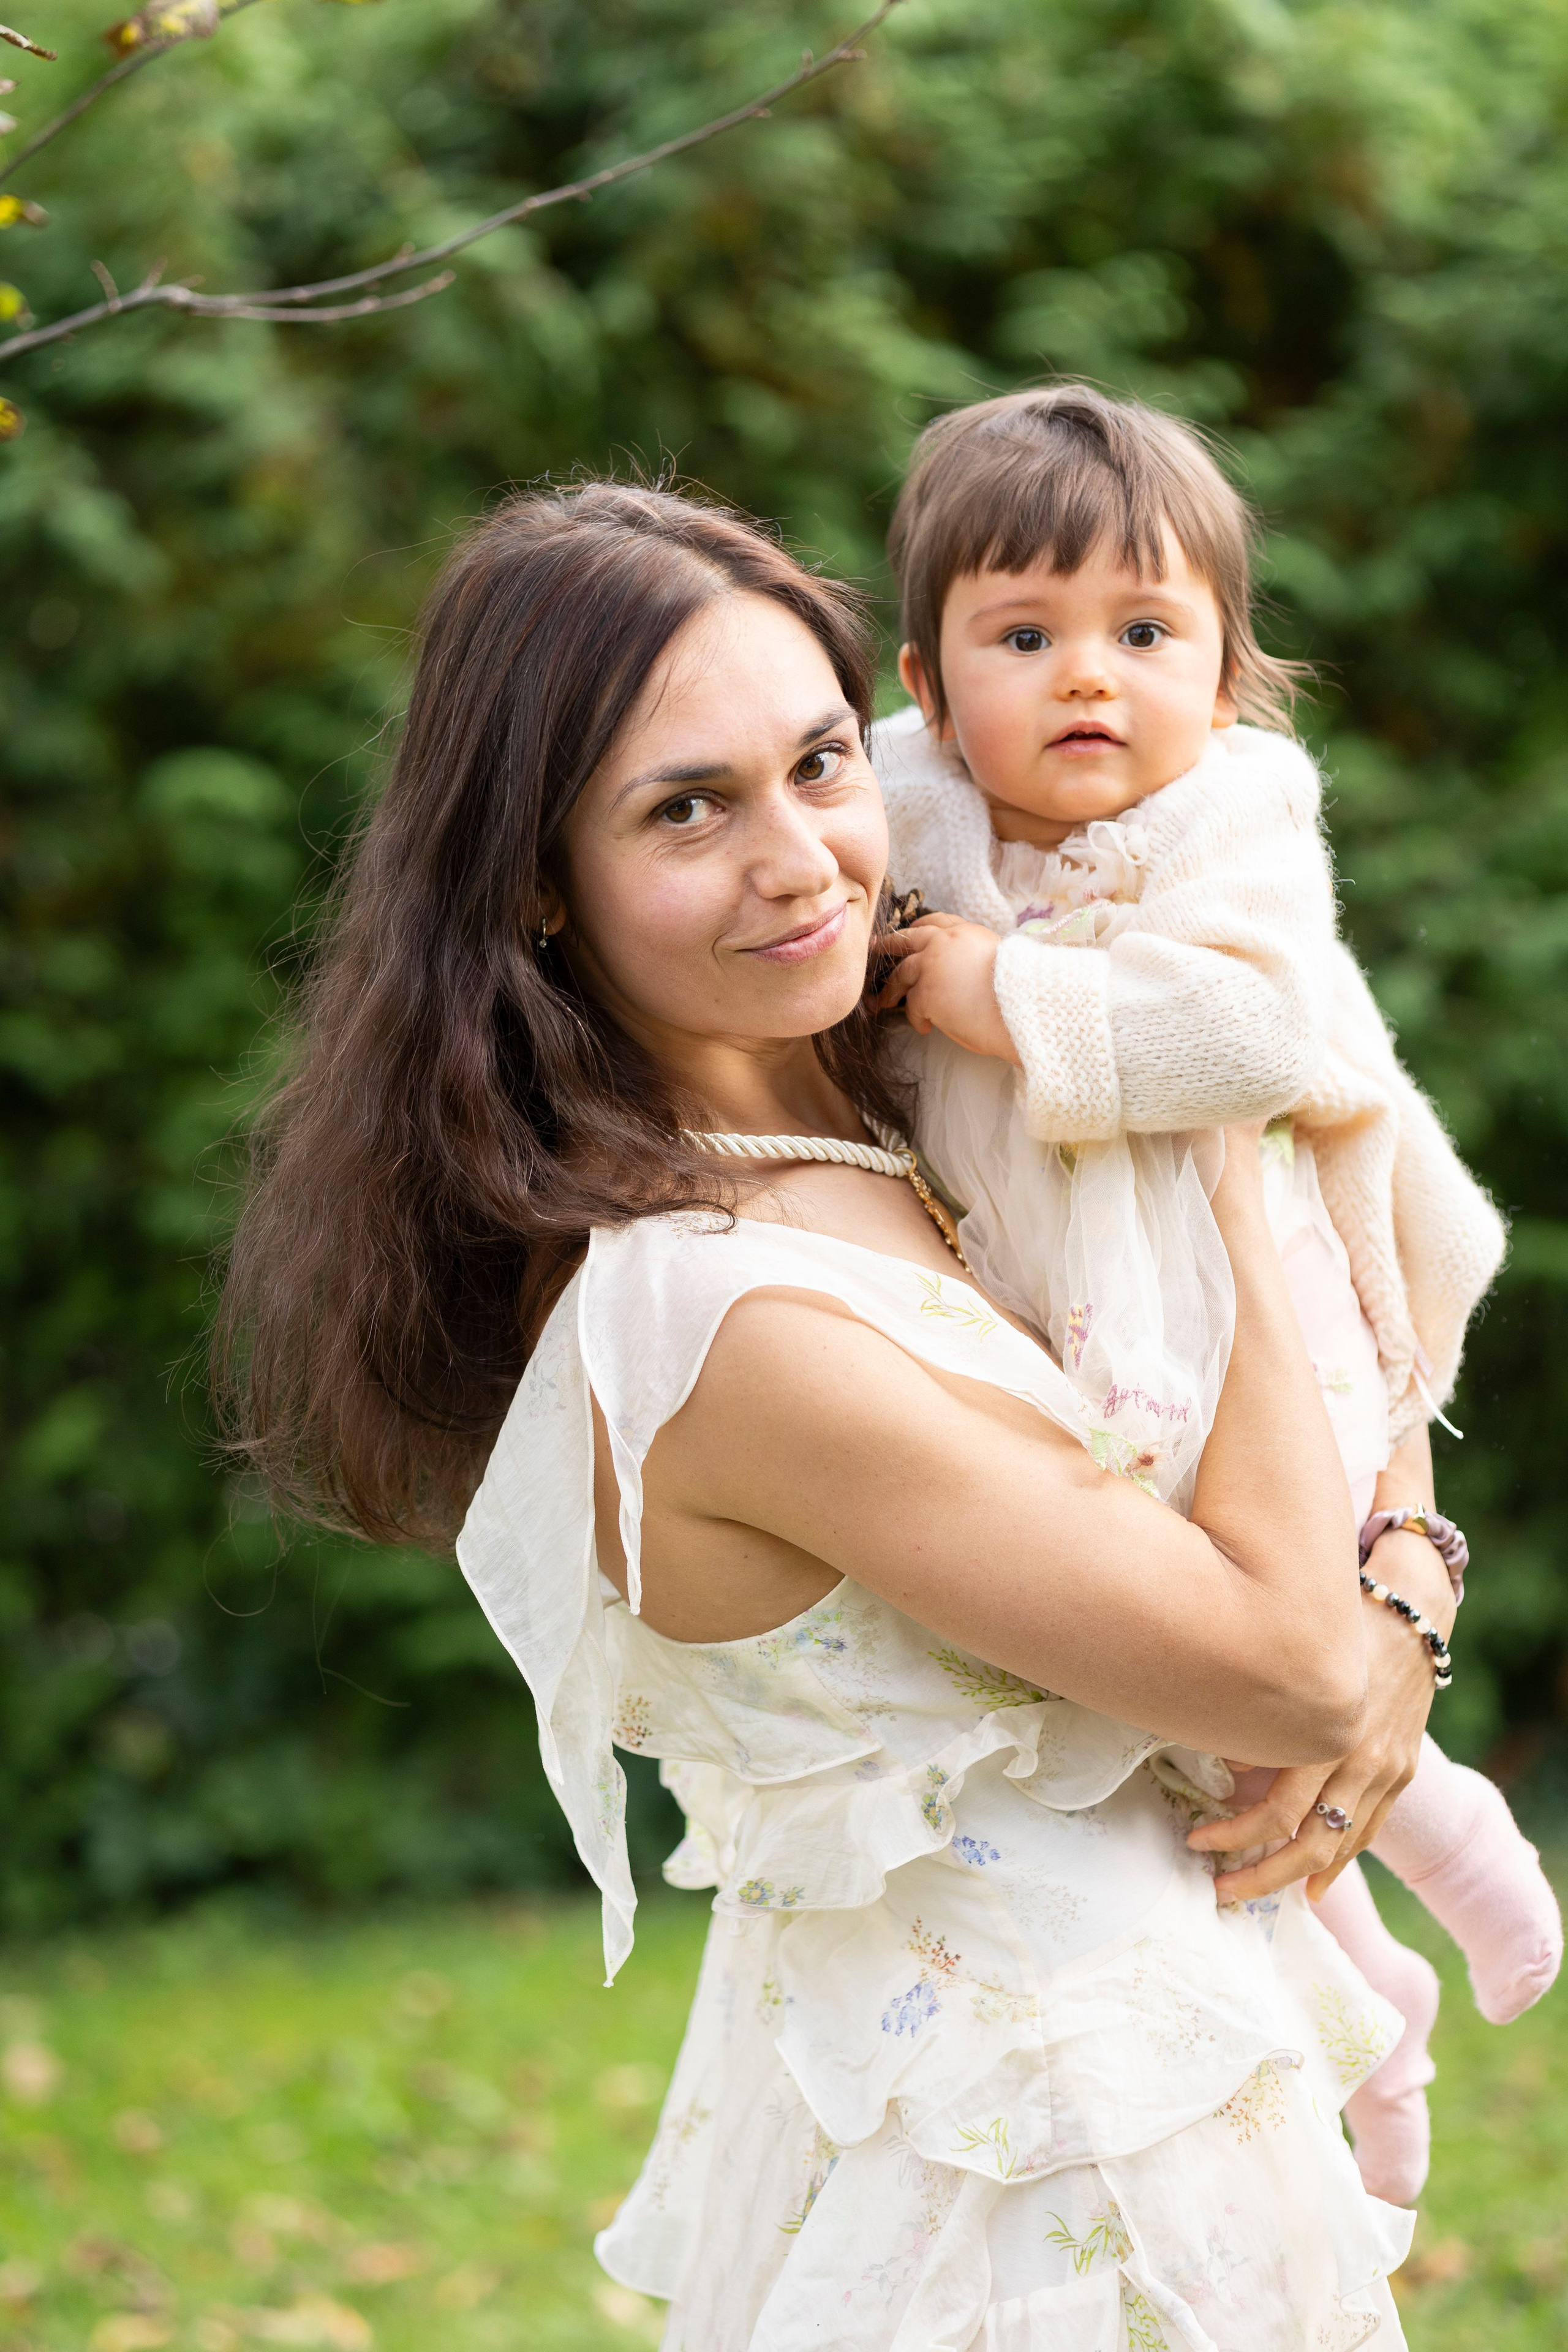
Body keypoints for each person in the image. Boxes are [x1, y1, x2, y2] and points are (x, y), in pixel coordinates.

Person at [218, 480, 1425, 2350]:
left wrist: (1408, 1579)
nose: (802, 861)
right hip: (1032, 2190)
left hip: (1152, 2090)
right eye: (687, 809)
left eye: (816, 766)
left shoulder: (895, 1120)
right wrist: (1227, 1150)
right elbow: (1283, 1662)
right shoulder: (719, 1306)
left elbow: (1326, 1512)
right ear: (540, 879)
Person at [870, 383, 1562, 2206]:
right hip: (1062, 1329)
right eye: (1022, 637)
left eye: (1145, 632)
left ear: (1233, 673)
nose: (1087, 676)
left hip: (1240, 1309)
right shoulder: (899, 808)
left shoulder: (1237, 819)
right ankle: (1375, 2009)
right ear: (930, 691)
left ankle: (1451, 1835)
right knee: (1195, 1751)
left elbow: (1256, 1031)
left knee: (1278, 1630)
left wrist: (989, 997)